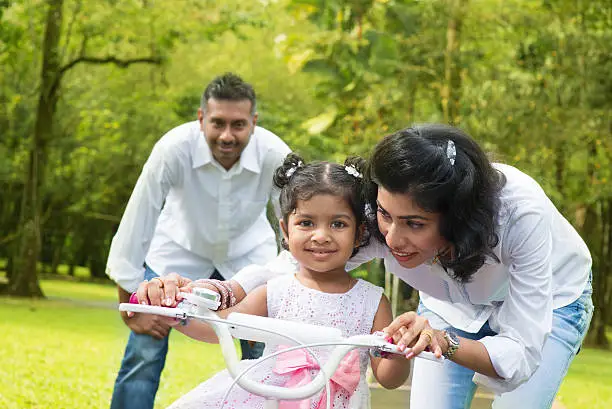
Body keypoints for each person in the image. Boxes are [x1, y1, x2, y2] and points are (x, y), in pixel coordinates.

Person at [148, 124, 594, 409]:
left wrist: (444, 343)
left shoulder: (519, 214)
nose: (392, 239)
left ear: (457, 220)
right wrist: (221, 292)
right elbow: (294, 265)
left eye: (415, 224)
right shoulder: (379, 216)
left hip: (549, 306)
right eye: (384, 216)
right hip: (446, 309)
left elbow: (519, 358)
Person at [138, 153, 412, 409]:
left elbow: (388, 378)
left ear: (359, 233)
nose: (321, 235)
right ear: (285, 229)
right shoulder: (276, 290)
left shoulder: (372, 302)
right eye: (306, 223)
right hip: (273, 400)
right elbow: (218, 328)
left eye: (338, 224)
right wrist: (176, 312)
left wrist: (398, 348)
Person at [106, 72, 291, 409]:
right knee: (143, 356)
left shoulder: (275, 154)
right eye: (217, 122)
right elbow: (139, 217)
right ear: (201, 118)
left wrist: (291, 283)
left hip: (249, 262)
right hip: (174, 257)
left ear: (254, 122)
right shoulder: (172, 149)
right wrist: (130, 302)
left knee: (267, 359)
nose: (226, 135)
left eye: (238, 125)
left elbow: (294, 226)